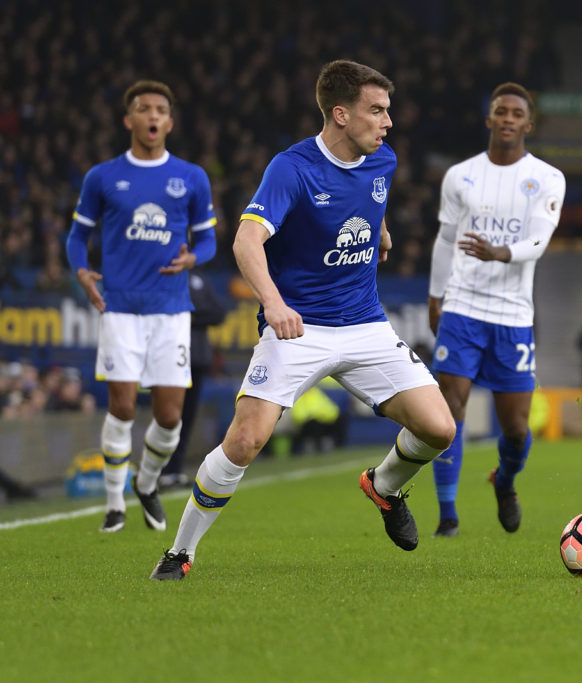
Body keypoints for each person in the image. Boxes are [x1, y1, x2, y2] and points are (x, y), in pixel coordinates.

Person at [150, 59, 455, 581]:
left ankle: (383, 487)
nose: (387, 123)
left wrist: (378, 233)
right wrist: (273, 303)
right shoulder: (291, 169)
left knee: (439, 428)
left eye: (388, 111)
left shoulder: (383, 161)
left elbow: (362, 206)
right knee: (244, 441)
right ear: (340, 114)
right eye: (376, 111)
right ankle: (179, 554)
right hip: (298, 327)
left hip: (364, 324)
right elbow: (247, 240)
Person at [66, 80, 217, 533]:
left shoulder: (191, 177)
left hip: (171, 310)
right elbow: (78, 237)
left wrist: (193, 256)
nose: (152, 116)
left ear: (169, 123)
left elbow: (208, 239)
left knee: (170, 416)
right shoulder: (103, 177)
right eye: (143, 108)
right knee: (125, 406)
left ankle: (146, 483)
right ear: (129, 119)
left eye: (160, 110)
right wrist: (80, 271)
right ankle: (114, 502)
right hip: (121, 308)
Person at [427, 82, 565, 537]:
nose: (507, 119)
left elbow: (540, 241)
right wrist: (435, 295)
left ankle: (504, 482)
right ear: (489, 119)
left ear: (528, 123)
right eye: (499, 111)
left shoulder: (546, 178)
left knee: (517, 429)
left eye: (515, 113)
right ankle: (447, 514)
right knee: (449, 409)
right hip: (463, 307)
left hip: (512, 316)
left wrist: (500, 252)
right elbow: (446, 240)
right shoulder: (460, 176)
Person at [158, 268, 227, 489]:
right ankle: (159, 471)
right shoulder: (162, 273)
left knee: (187, 418)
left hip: (197, 358)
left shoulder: (198, 277)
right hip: (169, 357)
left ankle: (174, 471)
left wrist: (187, 313)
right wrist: (194, 313)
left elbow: (219, 312)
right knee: (168, 416)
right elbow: (162, 309)